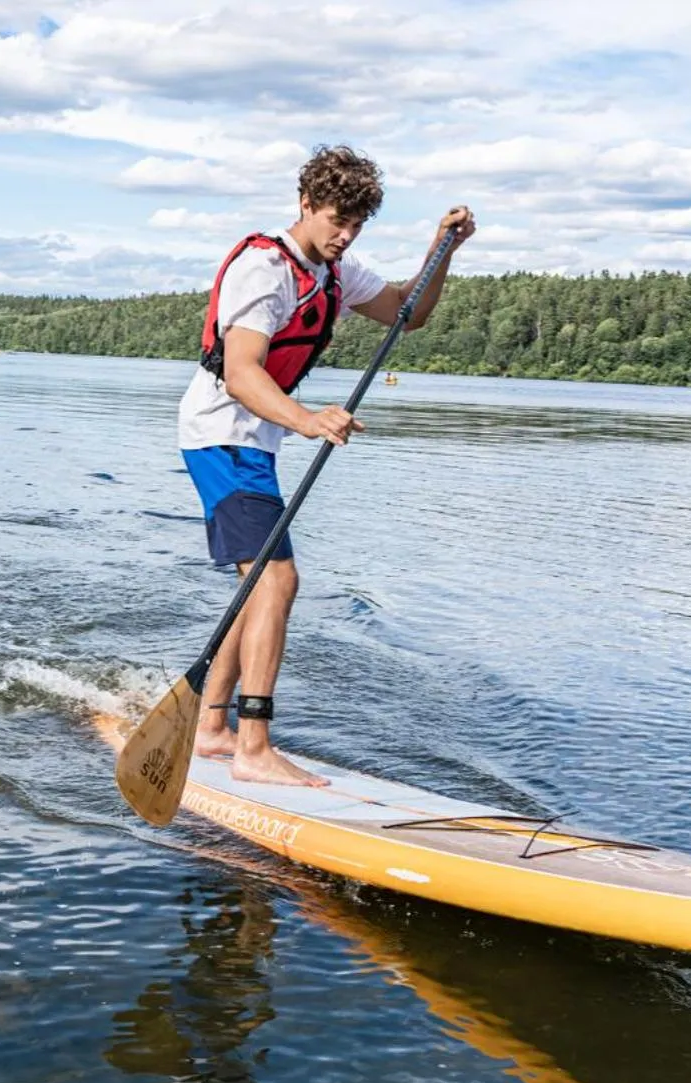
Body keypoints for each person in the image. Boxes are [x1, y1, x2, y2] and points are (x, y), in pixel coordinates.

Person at [176, 144, 474, 785]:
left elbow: (407, 311)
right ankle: (253, 749)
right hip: (222, 434)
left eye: (357, 225)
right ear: (305, 204)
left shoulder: (336, 273)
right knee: (278, 581)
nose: (345, 236)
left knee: (257, 587)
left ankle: (209, 727)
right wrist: (310, 419)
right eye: (336, 220)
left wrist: (442, 251)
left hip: (255, 441)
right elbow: (240, 372)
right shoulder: (263, 268)